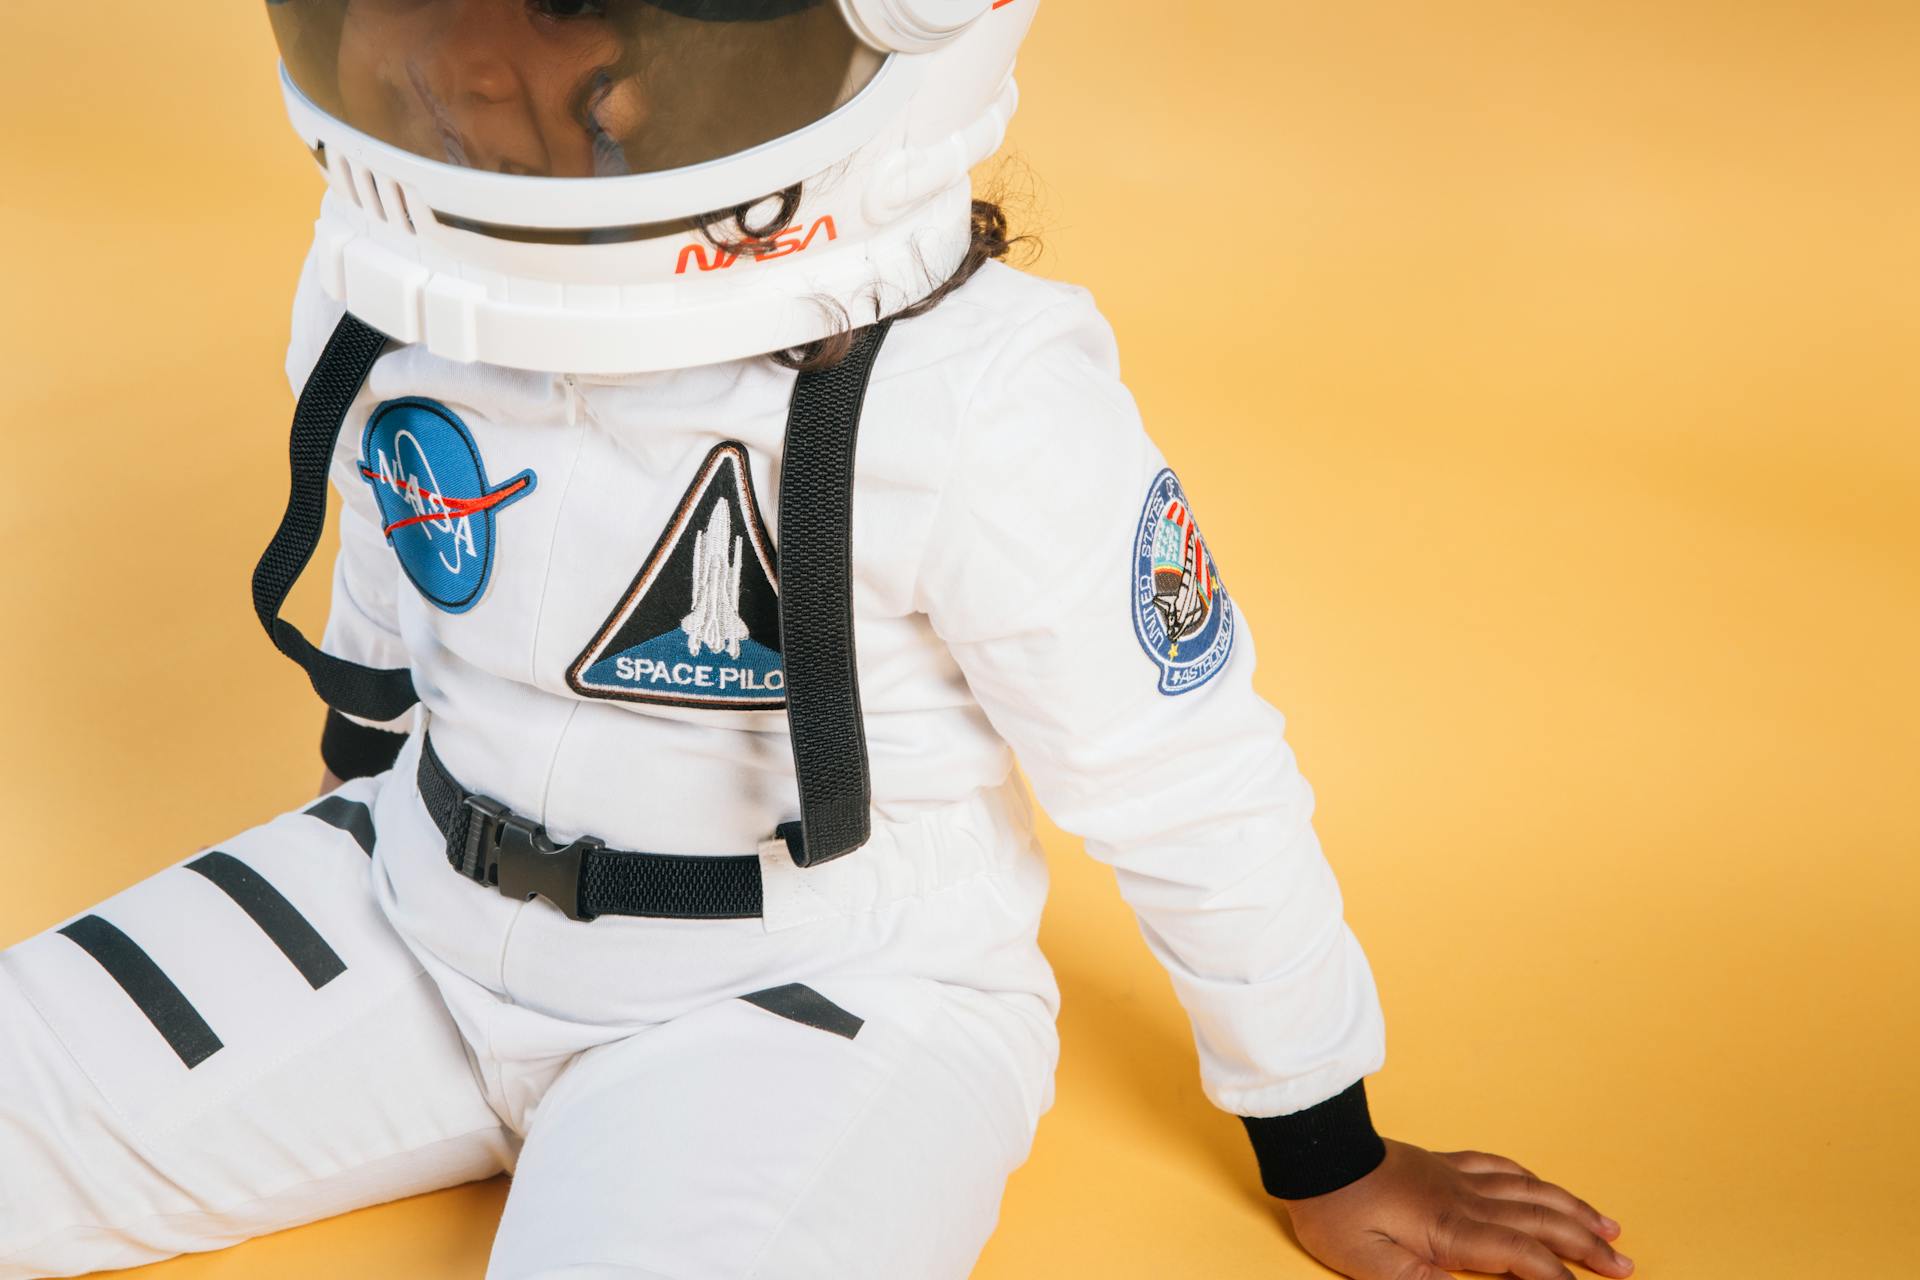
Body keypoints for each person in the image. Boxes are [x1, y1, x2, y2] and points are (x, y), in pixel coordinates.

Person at [0, 3, 1635, 1278]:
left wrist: (1324, 1140)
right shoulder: (390, 278)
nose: (470, 63)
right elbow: (395, 556)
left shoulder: (973, 395)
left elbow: (1187, 780)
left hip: (809, 1001)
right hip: (419, 893)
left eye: (574, 2)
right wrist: (361, 790)